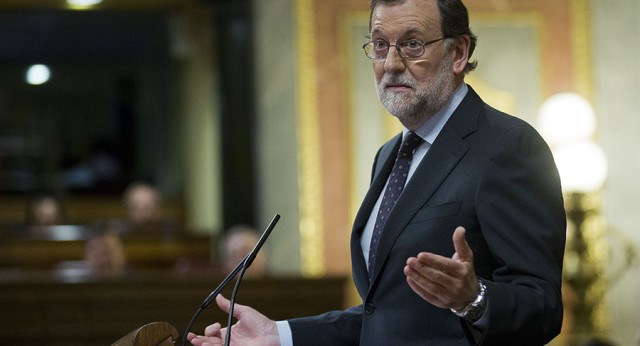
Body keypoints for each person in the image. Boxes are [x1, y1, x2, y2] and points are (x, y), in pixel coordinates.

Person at [188, 0, 566, 344]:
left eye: (413, 44)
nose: (391, 63)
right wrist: (280, 335)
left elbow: (543, 307)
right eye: (380, 44)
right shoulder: (390, 155)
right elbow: (386, 316)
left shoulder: (509, 147)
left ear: (459, 51)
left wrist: (474, 300)